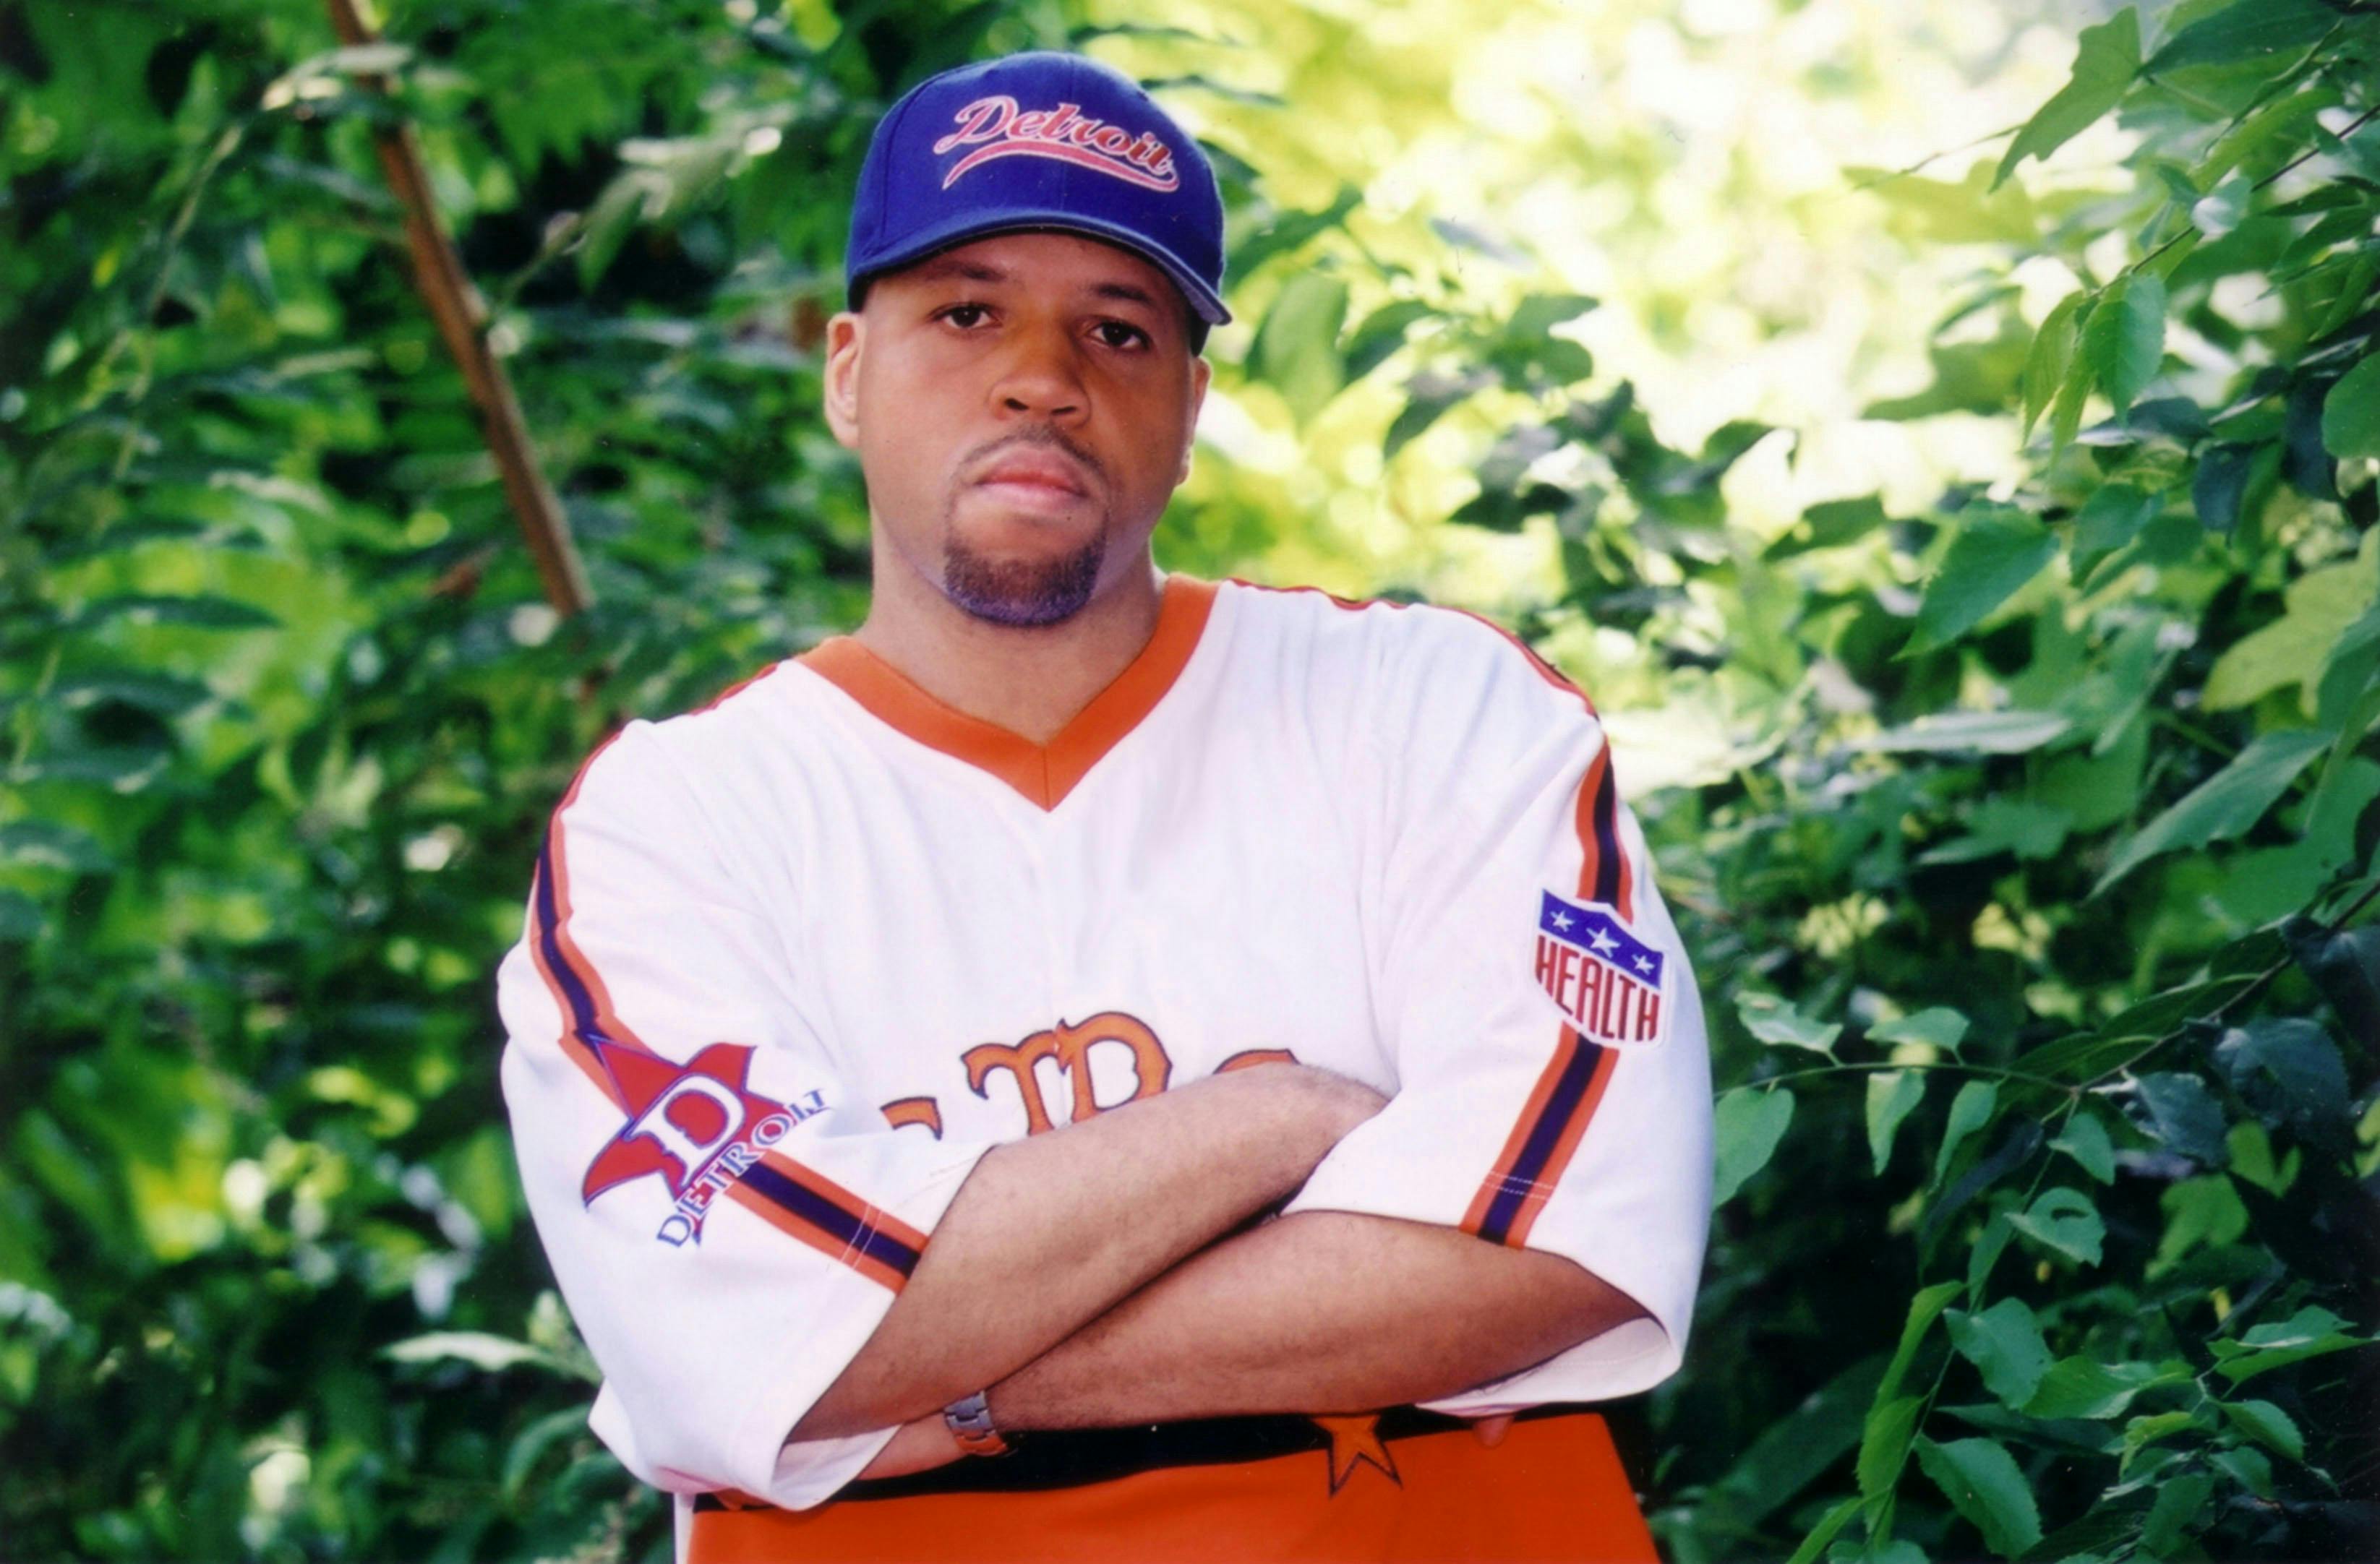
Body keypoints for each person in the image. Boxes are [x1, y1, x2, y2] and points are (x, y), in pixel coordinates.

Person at [497, 50, 1713, 1564]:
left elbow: (1559, 1249)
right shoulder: (673, 822)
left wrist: (937, 1380)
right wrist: (1277, 1120)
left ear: (1189, 408)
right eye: (966, 312)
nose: (1042, 378)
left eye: (1118, 329)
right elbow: (731, 1340)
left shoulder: (1439, 713)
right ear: (846, 372)